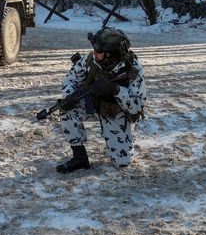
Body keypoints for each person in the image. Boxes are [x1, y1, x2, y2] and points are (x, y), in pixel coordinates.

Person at [56, 27, 146, 173]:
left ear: (112, 54)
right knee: (66, 109)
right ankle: (80, 158)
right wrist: (69, 96)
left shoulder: (133, 69)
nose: (94, 53)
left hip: (116, 112)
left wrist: (115, 90)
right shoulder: (90, 60)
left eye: (99, 52)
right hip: (93, 104)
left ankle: (118, 139)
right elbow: (71, 79)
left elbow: (137, 105)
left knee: (123, 163)